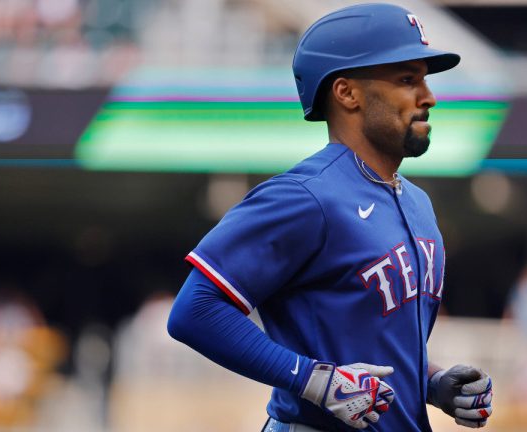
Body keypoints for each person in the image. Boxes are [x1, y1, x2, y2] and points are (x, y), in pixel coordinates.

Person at [167, 3, 493, 431]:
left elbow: (366, 339)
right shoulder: (304, 196)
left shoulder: (417, 203)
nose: (428, 96)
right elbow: (195, 310)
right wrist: (313, 381)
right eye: (407, 79)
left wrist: (432, 382)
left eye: (425, 79)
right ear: (347, 93)